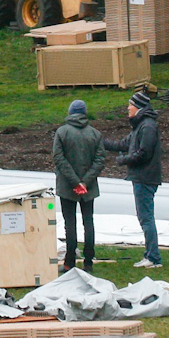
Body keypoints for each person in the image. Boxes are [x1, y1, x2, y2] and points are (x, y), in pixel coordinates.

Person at [105, 90, 163, 268]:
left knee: (146, 218)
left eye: (130, 104)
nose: (128, 108)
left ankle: (153, 258)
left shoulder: (147, 127)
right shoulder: (141, 126)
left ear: (138, 107)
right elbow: (123, 144)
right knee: (144, 217)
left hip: (145, 178)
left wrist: (123, 160)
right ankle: (150, 255)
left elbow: (144, 154)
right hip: (141, 177)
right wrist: (99, 141)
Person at [53, 98, 106, 273]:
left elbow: (59, 159)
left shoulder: (62, 132)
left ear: (70, 113)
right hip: (88, 188)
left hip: (67, 187)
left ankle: (69, 262)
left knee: (70, 223)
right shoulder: (95, 134)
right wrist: (85, 182)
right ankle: (89, 261)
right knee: (88, 222)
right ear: (84, 113)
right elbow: (100, 160)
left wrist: (74, 182)